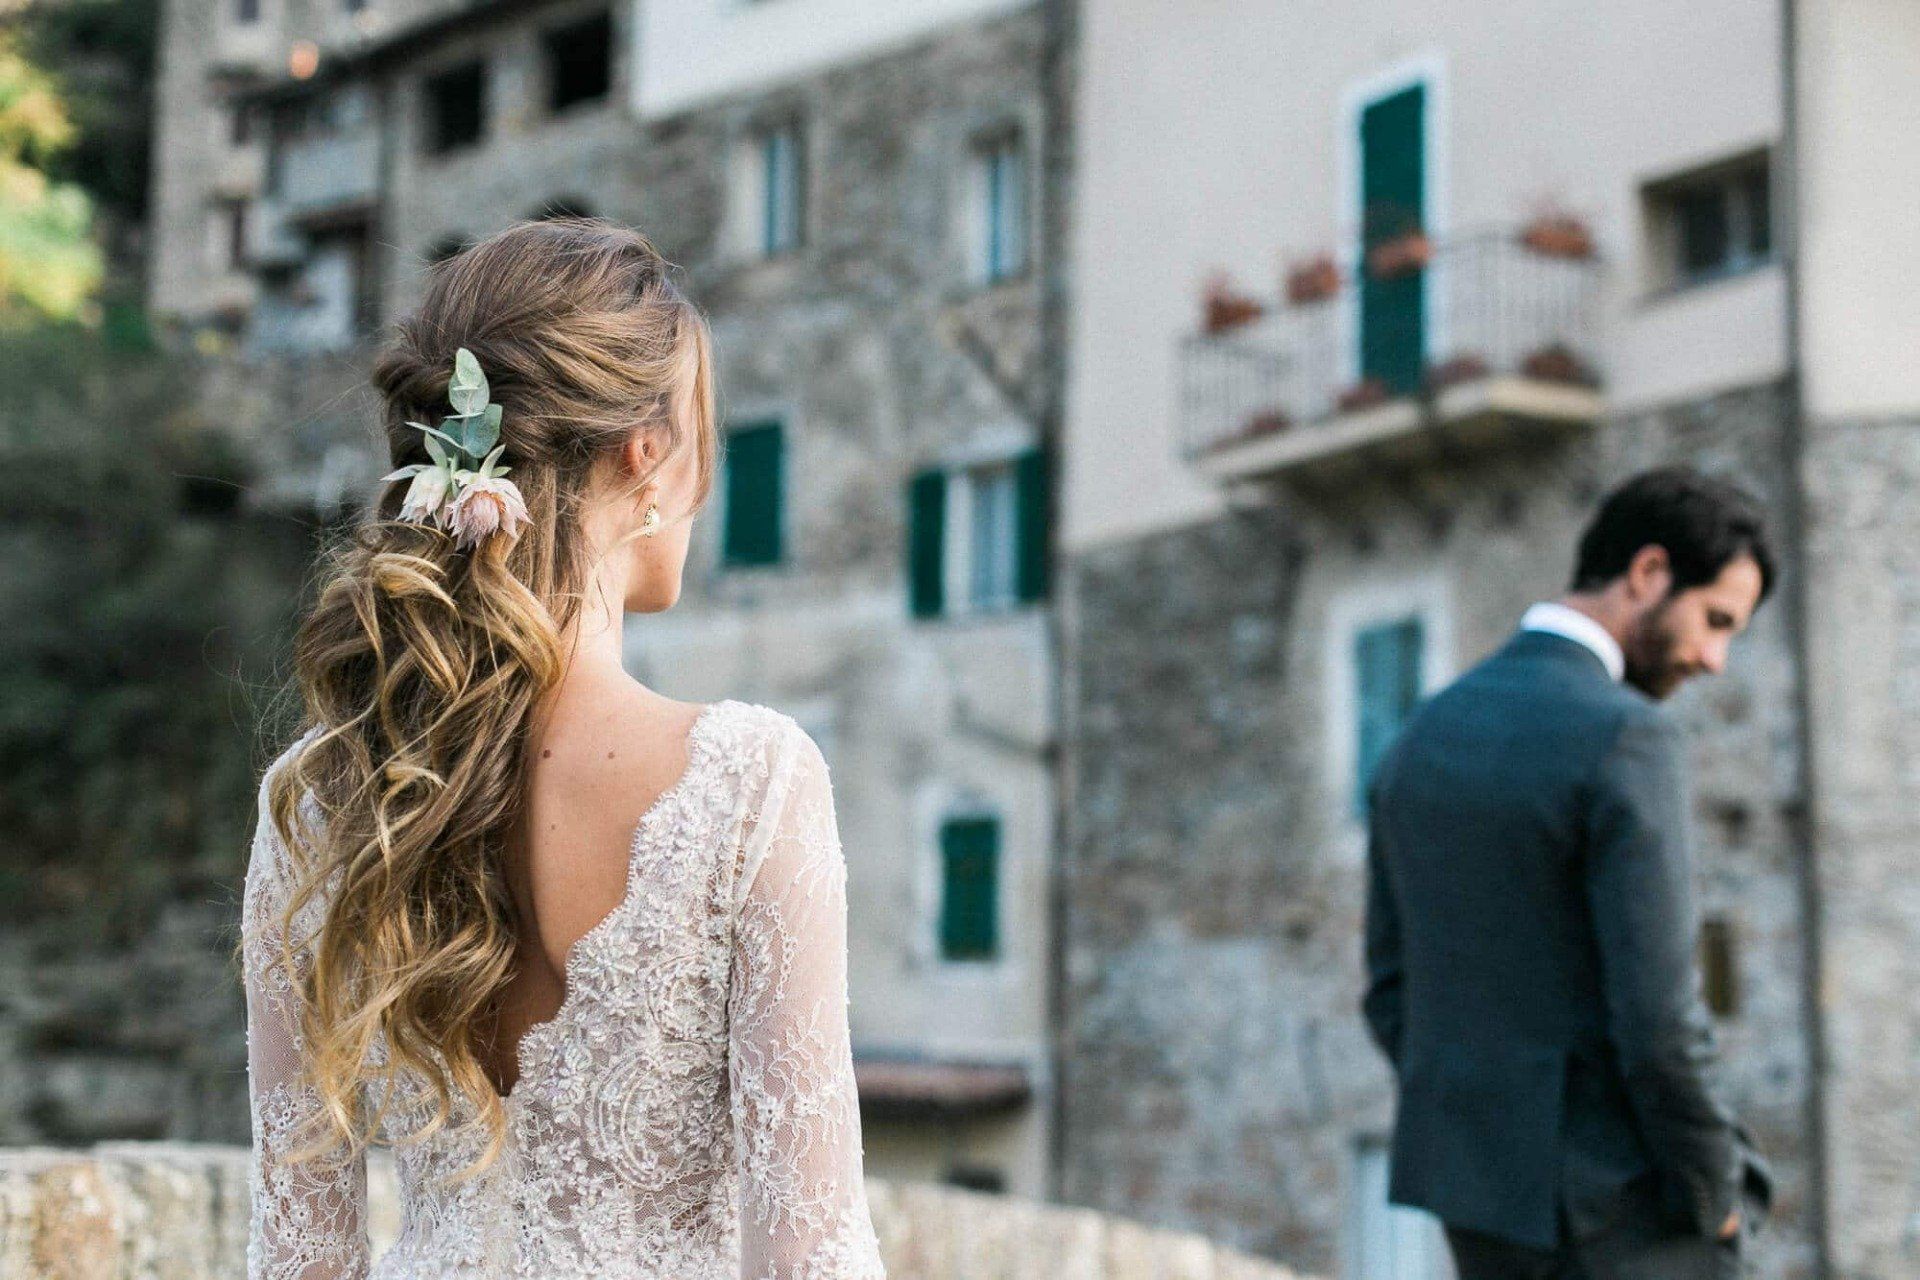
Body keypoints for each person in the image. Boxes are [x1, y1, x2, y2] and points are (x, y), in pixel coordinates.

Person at [238, 219, 886, 1279]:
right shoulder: (748, 781)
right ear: (648, 453)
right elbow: (811, 1252)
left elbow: (300, 1255)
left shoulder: (317, 798)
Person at [1361, 467, 1778, 1279]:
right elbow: (1660, 1021)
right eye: (1715, 621)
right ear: (1648, 572)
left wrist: (1494, 1146)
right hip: (1630, 1215)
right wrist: (1714, 1189)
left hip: (1481, 1211)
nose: (1715, 659)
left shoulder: (1418, 736)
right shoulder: (1627, 736)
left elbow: (1391, 994)